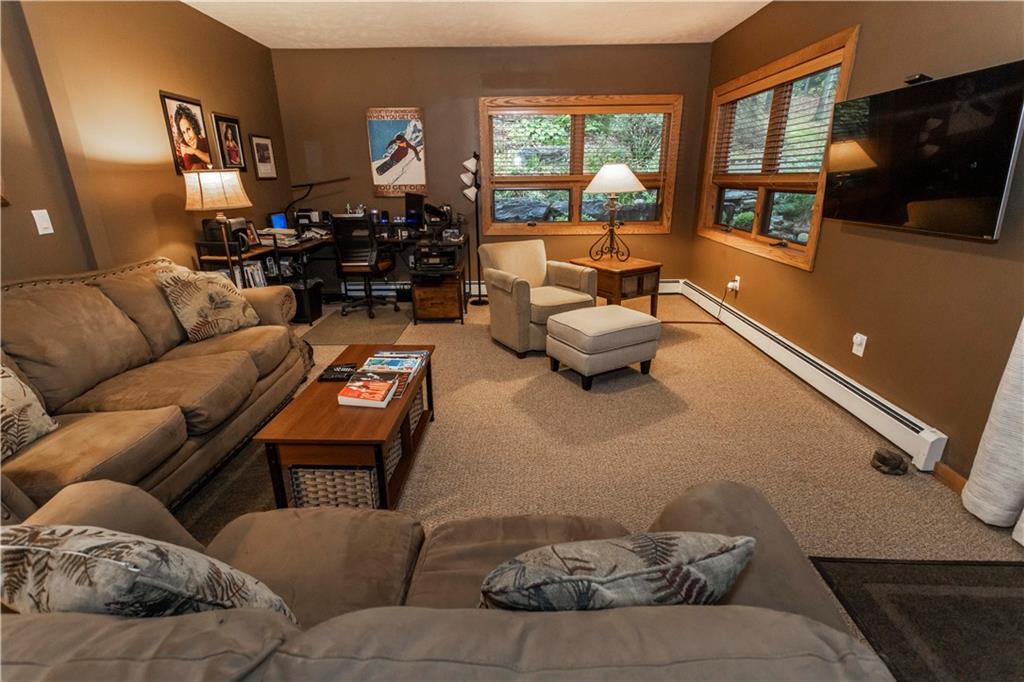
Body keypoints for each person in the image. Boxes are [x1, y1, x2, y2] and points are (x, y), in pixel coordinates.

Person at [174, 104, 211, 170]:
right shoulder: (185, 147)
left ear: (194, 127)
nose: (188, 138)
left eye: (188, 129)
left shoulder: (205, 141)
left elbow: (212, 159)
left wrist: (194, 151)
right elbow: (192, 169)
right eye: (184, 132)